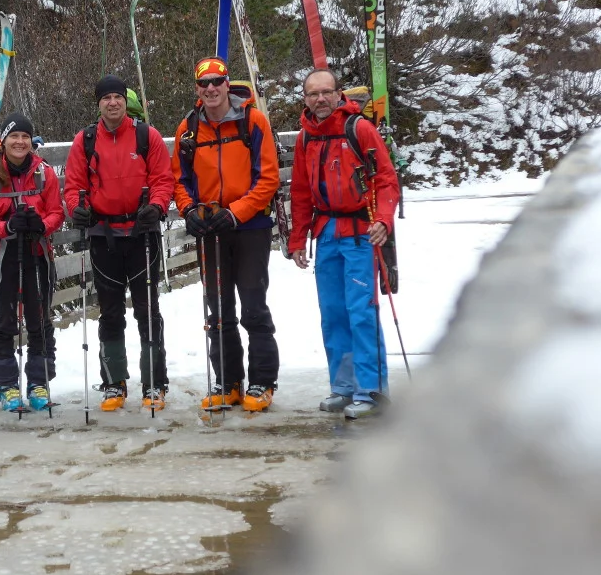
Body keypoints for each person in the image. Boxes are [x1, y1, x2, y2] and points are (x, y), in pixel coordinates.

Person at [287, 68, 400, 420]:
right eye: (313, 94)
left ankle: (371, 390)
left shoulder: (359, 129)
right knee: (333, 312)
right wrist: (298, 238)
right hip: (327, 233)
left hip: (361, 233)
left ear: (339, 94)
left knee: (361, 311)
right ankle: (344, 386)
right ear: (305, 99)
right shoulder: (306, 138)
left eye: (326, 92)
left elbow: (386, 179)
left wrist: (383, 219)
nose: (320, 99)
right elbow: (300, 192)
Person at [171, 57, 281, 412]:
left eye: (217, 81)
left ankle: (262, 380)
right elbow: (179, 179)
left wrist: (237, 212)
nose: (211, 89)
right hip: (210, 229)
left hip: (249, 227)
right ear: (197, 88)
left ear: (227, 83)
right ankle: (228, 381)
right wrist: (189, 210)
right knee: (218, 310)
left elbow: (268, 178)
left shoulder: (253, 121)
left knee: (253, 307)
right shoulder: (188, 129)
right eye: (204, 83)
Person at [64, 74, 174, 412]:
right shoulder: (85, 141)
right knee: (110, 312)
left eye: (118, 97)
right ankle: (113, 382)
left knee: (147, 310)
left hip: (142, 234)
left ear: (126, 101)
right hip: (104, 236)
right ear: (98, 103)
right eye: (106, 98)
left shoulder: (146, 136)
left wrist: (157, 206)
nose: (112, 103)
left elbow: (163, 178)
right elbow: (73, 185)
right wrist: (77, 209)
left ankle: (154, 383)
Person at [0, 113, 65, 411]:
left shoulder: (44, 172)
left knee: (40, 319)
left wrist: (42, 225)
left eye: (25, 136)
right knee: (3, 320)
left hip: (36, 251)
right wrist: (7, 226)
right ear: (4, 140)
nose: (20, 142)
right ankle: (7, 385)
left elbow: (57, 212)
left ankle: (39, 382)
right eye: (14, 136)